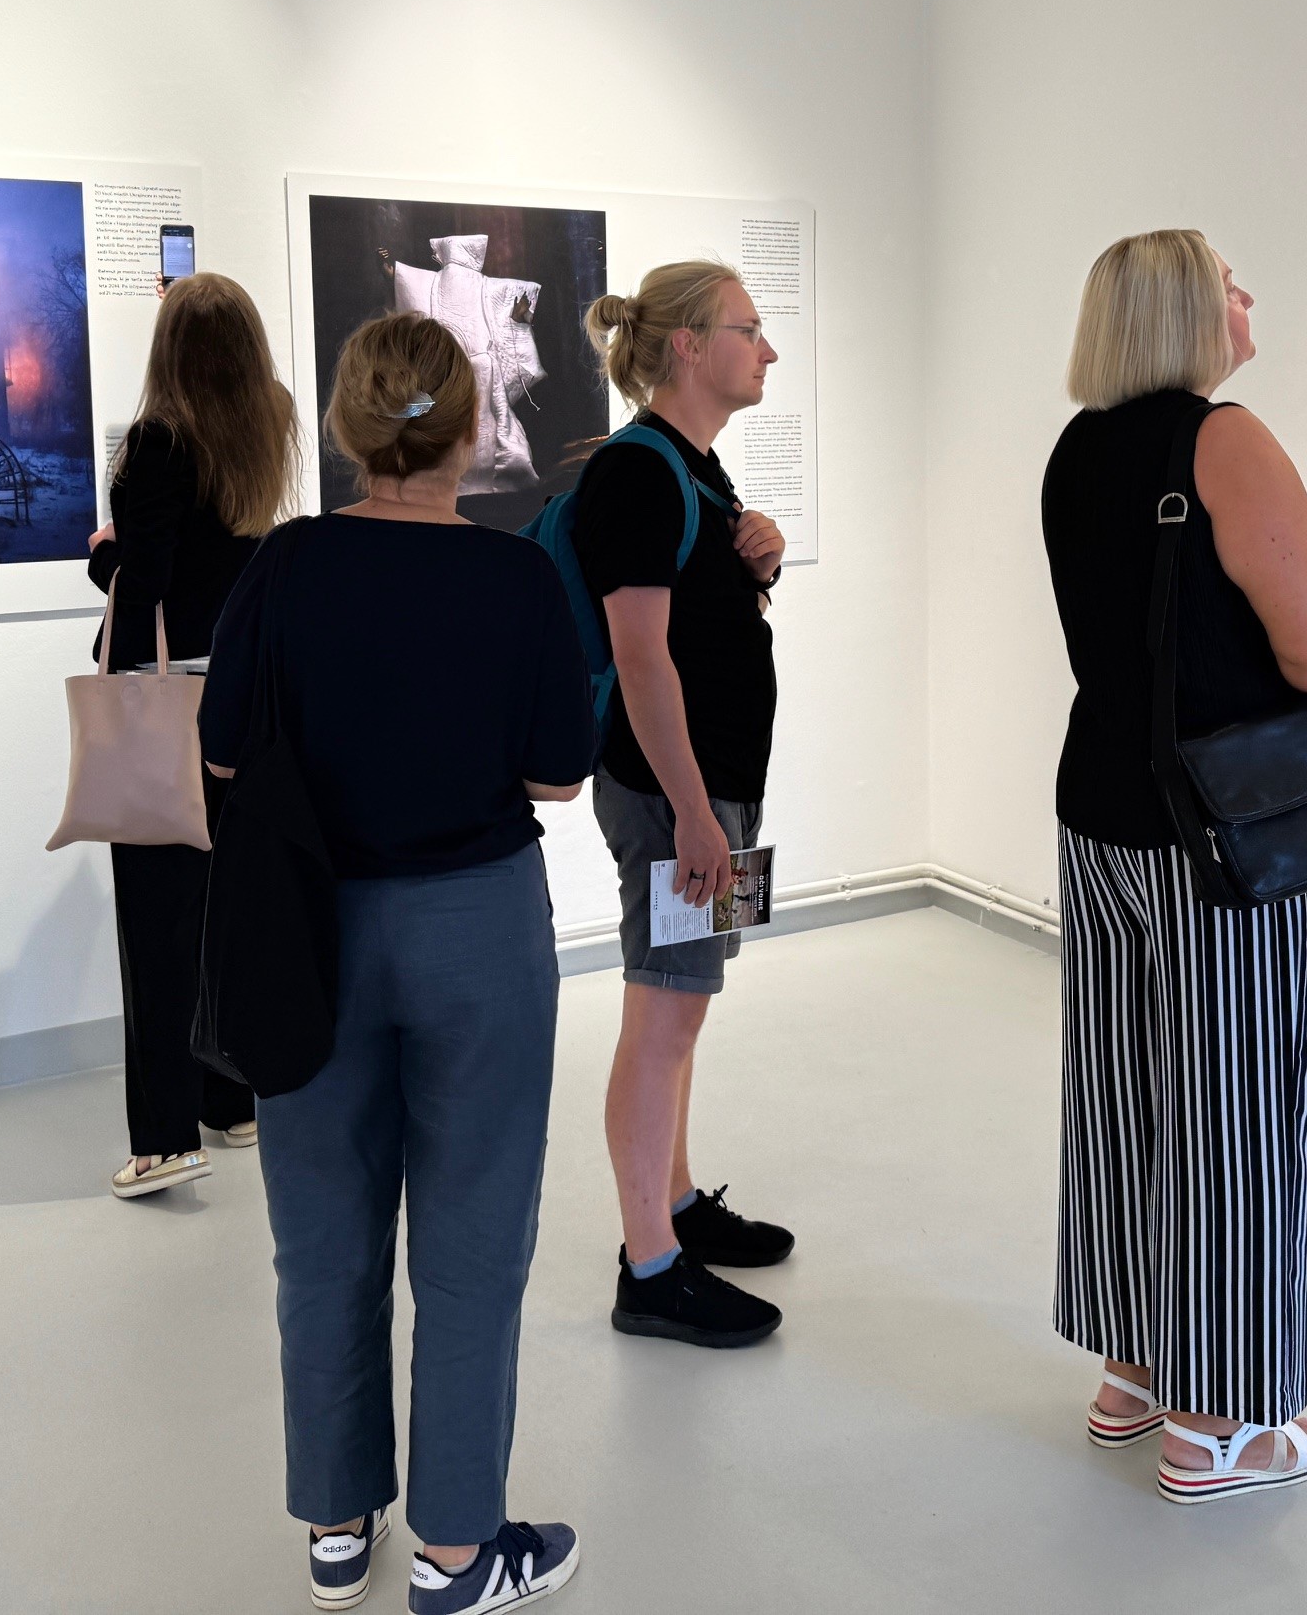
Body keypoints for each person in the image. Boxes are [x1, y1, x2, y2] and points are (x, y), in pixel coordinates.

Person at [202, 312, 594, 1615]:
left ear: (347, 426)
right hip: (477, 927)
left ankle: (334, 1525)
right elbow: (558, 774)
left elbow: (221, 750)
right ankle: (456, 1555)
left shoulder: (286, 566)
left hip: (309, 924)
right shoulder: (516, 578)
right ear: (471, 429)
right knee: (474, 1243)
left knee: (320, 1238)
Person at [1040, 229, 1307, 1506]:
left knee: (1124, 1095)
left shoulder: (1076, 449)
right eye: (1229, 281)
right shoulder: (1225, 440)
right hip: (1223, 831)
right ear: (1185, 309)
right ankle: (1222, 1421)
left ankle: (1132, 1370)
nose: (1247, 295)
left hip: (1101, 813)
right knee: (1234, 1110)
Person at [574, 261, 794, 1351]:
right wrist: (696, 814)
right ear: (688, 347)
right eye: (749, 329)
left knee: (684, 1006)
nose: (768, 349)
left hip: (710, 793)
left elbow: (705, 622)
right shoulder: (636, 472)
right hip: (677, 798)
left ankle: (676, 1200)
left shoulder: (694, 469)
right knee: (663, 1016)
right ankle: (650, 1266)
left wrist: (765, 555)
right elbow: (642, 658)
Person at [86, 272, 297, 1200]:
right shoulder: (268, 426)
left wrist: (105, 558)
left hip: (162, 705)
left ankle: (164, 1141)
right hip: (242, 699)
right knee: (223, 909)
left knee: (156, 924)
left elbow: (146, 586)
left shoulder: (157, 441)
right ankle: (231, 1098)